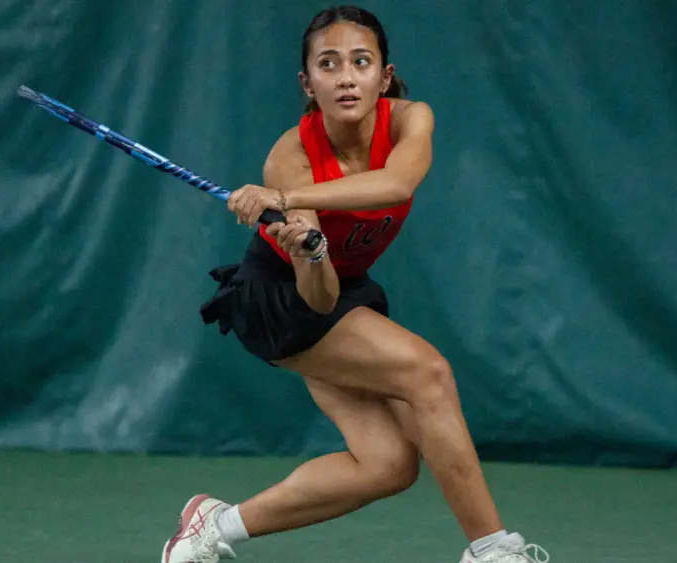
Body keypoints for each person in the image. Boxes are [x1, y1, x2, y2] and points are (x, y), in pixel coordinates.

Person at [161, 6, 549, 563]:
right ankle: (492, 551)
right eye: (329, 64)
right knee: (428, 373)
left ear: (384, 76)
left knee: (387, 465)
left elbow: (397, 183)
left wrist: (288, 203)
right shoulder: (290, 158)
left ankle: (214, 525)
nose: (346, 77)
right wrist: (310, 249)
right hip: (281, 298)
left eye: (361, 62)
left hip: (346, 290)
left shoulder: (410, 120)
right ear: (307, 83)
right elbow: (316, 299)